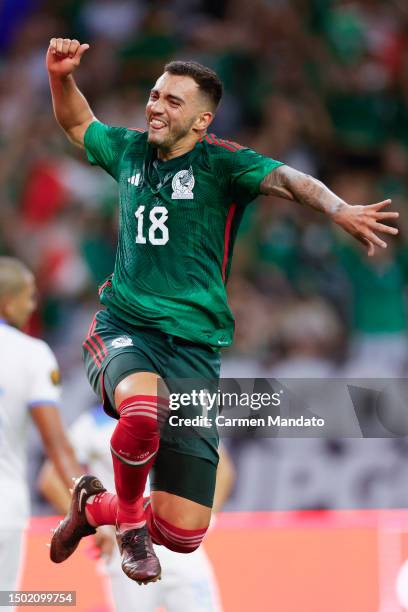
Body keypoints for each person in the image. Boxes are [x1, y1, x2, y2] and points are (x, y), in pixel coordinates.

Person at [46, 37, 399, 585]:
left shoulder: (224, 164)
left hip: (193, 347)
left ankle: (96, 509)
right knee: (143, 410)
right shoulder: (130, 150)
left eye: (173, 102)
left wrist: (337, 207)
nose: (156, 107)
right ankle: (130, 526)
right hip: (124, 328)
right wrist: (61, 77)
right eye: (155, 95)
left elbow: (288, 178)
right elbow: (76, 125)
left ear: (203, 120)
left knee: (186, 533)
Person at [39, 404, 234, 611]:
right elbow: (50, 480)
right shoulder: (91, 425)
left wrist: (203, 519)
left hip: (183, 552)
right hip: (128, 552)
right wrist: (92, 525)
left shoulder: (178, 414)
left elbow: (223, 469)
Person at [0, 256, 83, 593]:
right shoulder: (31, 354)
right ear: (8, 302)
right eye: (30, 296)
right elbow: (56, 444)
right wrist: (89, 509)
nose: (33, 305)